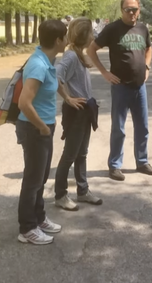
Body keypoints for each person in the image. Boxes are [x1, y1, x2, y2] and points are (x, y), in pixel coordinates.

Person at [16, 19, 81, 244]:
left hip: (43, 127)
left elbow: (55, 82)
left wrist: (68, 98)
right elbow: (25, 102)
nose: (67, 40)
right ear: (58, 40)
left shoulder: (47, 60)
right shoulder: (38, 64)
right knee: (33, 179)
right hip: (35, 128)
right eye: (65, 36)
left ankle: (38, 218)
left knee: (41, 177)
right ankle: (27, 228)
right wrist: (42, 127)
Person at [86, 0, 152, 181]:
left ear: (139, 10)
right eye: (128, 9)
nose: (132, 13)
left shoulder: (142, 29)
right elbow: (91, 49)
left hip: (140, 87)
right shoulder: (113, 29)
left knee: (143, 127)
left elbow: (149, 49)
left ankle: (142, 162)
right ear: (122, 10)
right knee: (119, 128)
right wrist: (104, 72)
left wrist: (147, 67)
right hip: (121, 87)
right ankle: (115, 165)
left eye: (135, 9)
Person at [54, 17, 103, 211]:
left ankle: (82, 191)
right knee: (70, 155)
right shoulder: (71, 57)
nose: (94, 35)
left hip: (85, 110)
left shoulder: (78, 55)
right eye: (91, 32)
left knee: (82, 153)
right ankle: (60, 195)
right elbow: (56, 75)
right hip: (76, 112)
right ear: (85, 35)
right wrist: (67, 97)